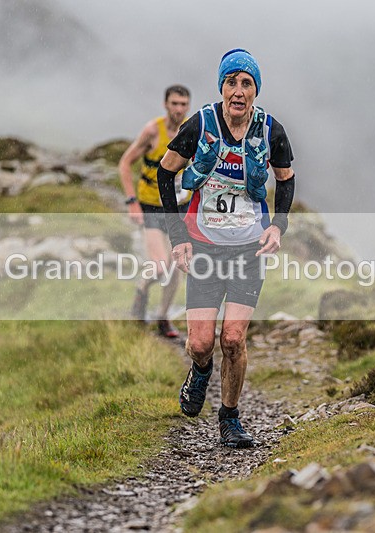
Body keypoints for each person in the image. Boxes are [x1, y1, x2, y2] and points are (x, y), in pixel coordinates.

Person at [157, 49, 296, 448]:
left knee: (233, 338)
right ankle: (200, 370)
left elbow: (286, 181)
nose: (239, 91)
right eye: (231, 82)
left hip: (248, 250)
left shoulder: (271, 131)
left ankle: (230, 418)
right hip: (202, 247)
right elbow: (165, 174)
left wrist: (277, 226)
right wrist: (178, 237)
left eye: (247, 83)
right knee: (201, 343)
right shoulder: (200, 124)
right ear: (221, 87)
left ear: (256, 90)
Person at [119, 85, 192, 338]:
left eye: (183, 104)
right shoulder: (153, 131)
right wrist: (132, 202)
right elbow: (125, 163)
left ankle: (163, 318)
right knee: (161, 266)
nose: (179, 109)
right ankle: (142, 289)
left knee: (177, 265)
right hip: (151, 205)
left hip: (179, 208)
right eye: (175, 103)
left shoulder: (192, 131)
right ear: (165, 104)